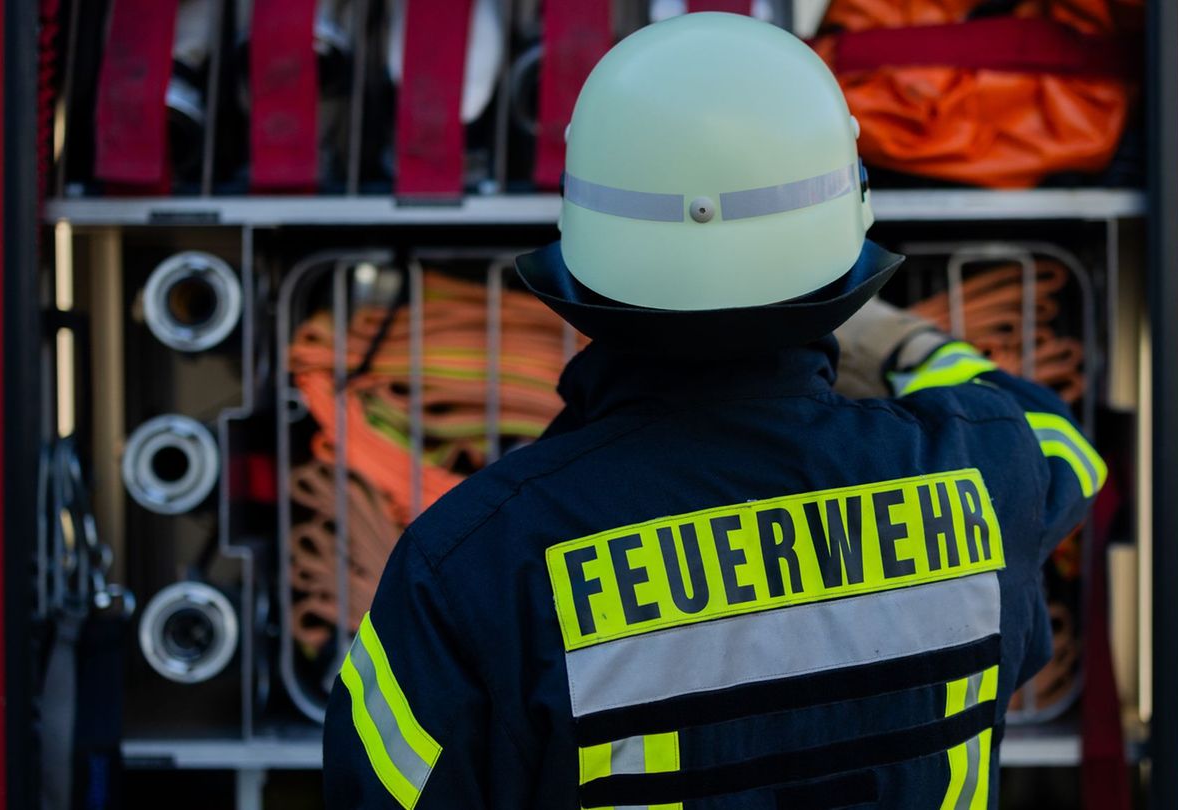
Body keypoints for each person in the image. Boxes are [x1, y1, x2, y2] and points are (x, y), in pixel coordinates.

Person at [323, 12, 1103, 810]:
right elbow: (1063, 448)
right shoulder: (982, 470)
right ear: (842, 248)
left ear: (584, 257)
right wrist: (903, 346)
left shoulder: (468, 567)